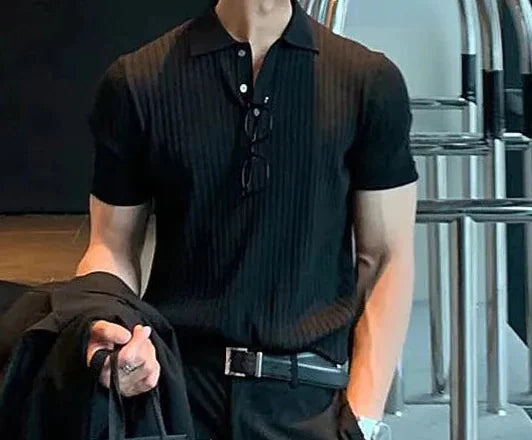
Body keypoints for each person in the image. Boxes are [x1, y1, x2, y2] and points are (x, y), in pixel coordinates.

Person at [78, 0, 418, 439]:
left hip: (307, 396)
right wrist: (107, 330)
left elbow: (387, 256)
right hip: (176, 390)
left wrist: (363, 419)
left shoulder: (368, 81)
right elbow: (111, 245)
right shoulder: (136, 81)